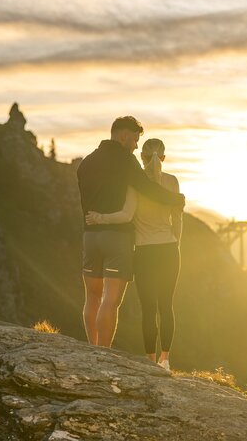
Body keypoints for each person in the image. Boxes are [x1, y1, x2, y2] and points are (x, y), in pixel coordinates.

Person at [77, 117, 184, 348]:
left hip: (90, 236)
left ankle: (90, 347)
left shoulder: (86, 162)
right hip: (117, 237)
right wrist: (177, 199)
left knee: (91, 297)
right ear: (124, 136)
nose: (136, 145)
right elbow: (147, 189)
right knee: (111, 300)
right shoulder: (127, 161)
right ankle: (103, 352)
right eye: (135, 140)